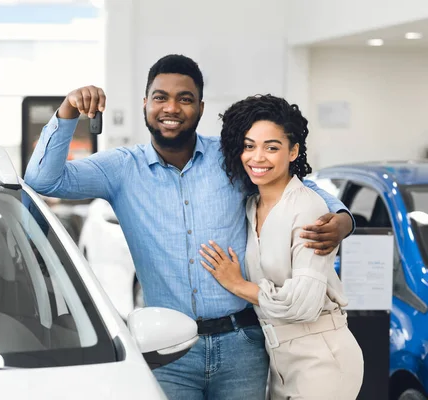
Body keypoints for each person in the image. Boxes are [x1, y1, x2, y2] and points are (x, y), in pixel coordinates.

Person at [24, 54, 355, 400]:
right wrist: (66, 113)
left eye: (185, 98)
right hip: (168, 348)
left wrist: (344, 219)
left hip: (242, 344)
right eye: (160, 97)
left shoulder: (229, 158)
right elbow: (43, 181)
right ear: (145, 104)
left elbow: (293, 184)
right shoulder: (121, 169)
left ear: (199, 107)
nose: (172, 107)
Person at [199, 94, 364, 399]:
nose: (257, 157)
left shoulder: (307, 208)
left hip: (322, 358)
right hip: (280, 362)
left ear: (293, 152)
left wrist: (237, 284)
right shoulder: (251, 205)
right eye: (249, 146)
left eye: (271, 147)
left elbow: (303, 304)